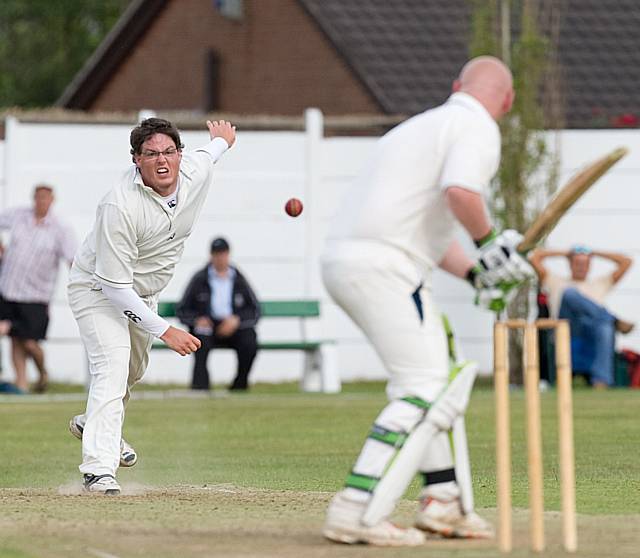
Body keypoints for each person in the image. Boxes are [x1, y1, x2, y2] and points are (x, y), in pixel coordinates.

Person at [320, 56, 534, 546]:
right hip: (387, 268)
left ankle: (444, 501)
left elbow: (430, 232)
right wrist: (492, 241)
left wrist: (480, 274)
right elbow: (461, 193)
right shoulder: (477, 126)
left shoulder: (416, 128)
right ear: (508, 101)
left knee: (439, 378)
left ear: (456, 84)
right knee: (423, 388)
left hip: (358, 259)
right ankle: (356, 509)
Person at [67, 117, 236, 495]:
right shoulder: (119, 205)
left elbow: (213, 152)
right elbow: (113, 285)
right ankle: (98, 469)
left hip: (142, 293)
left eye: (169, 152)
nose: (163, 161)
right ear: (136, 159)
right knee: (111, 365)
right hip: (97, 289)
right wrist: (165, 329)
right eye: (151, 154)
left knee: (132, 371)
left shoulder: (194, 170)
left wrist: (222, 139)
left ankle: (93, 423)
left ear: (180, 154)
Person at [0, 185, 76, 393]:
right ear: (33, 198)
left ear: (52, 200)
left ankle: (42, 372)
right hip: (9, 289)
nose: (41, 202)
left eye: (45, 198)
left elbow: (72, 259)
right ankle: (21, 384)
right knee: (14, 337)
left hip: (36, 294)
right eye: (38, 198)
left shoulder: (60, 229)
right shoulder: (18, 216)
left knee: (30, 342)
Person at [530, 246, 633, 388]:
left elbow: (626, 261)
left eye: (585, 263)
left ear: (590, 265)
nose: (581, 267)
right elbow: (534, 257)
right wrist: (565, 253)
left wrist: (594, 252)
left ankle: (600, 383)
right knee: (570, 294)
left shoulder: (600, 283)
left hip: (592, 332)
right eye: (577, 263)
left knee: (604, 328)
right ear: (570, 264)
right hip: (568, 329)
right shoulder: (555, 281)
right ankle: (612, 319)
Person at [176, 237, 260, 391]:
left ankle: (239, 386)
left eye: (223, 254)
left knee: (250, 340)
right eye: (216, 254)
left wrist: (237, 320)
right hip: (208, 326)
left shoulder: (239, 279)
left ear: (228, 254)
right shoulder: (200, 278)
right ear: (211, 255)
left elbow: (254, 309)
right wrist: (197, 320)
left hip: (233, 326)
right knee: (199, 339)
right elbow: (183, 309)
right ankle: (200, 387)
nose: (220, 258)